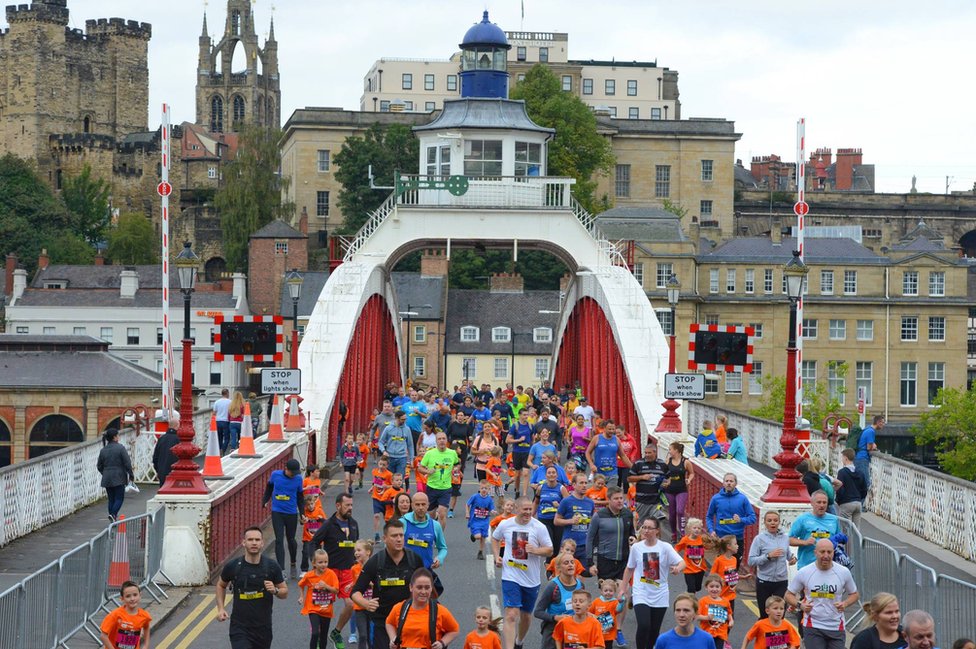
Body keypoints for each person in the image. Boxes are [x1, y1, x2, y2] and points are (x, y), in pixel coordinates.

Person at [350, 519, 425, 649]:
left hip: (409, 621)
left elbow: (426, 588)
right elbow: (355, 592)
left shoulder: (414, 559)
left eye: (401, 535)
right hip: (381, 622)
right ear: (384, 538)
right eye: (394, 536)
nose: (399, 539)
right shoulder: (375, 562)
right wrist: (366, 604)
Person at [492, 497, 554, 649]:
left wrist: (536, 550)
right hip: (510, 575)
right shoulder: (506, 524)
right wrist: (496, 556)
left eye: (530, 509)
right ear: (516, 509)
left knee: (526, 616)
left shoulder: (538, 527)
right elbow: (495, 538)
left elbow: (550, 549)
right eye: (524, 509)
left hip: (531, 579)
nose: (528, 512)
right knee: (511, 614)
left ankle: (519, 642)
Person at [216, 526, 288, 649]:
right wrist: (221, 609)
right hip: (239, 628)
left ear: (262, 543)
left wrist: (275, 591)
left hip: (263, 629)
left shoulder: (271, 566)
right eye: (250, 540)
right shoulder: (234, 566)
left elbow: (284, 592)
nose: (254, 543)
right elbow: (221, 585)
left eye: (257, 540)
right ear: (243, 542)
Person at [619, 517, 684, 649]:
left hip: (660, 593)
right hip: (641, 592)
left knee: (654, 630)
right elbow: (629, 568)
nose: (646, 530)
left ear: (657, 531)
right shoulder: (636, 547)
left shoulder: (665, 547)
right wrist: (622, 589)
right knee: (644, 625)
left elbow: (682, 562)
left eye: (650, 528)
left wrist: (677, 569)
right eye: (644, 527)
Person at [785, 539, 859, 649]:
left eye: (829, 552)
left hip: (836, 626)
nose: (826, 555)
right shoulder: (805, 572)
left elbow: (854, 594)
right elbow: (788, 595)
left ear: (833, 553)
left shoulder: (843, 572)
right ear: (815, 552)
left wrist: (845, 604)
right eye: (822, 552)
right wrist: (801, 605)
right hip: (813, 625)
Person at [309, 492, 360, 649]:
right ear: (338, 506)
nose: (350, 508)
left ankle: (336, 632)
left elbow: (356, 546)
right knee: (321, 606)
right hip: (329, 572)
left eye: (351, 505)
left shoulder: (354, 524)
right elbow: (314, 542)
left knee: (351, 604)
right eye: (347, 505)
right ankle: (317, 635)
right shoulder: (328, 524)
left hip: (347, 572)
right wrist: (317, 562)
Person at [384, 568, 460, 649]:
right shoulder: (399, 608)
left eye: (427, 588)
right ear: (411, 587)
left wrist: (442, 643)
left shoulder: (440, 611)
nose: (423, 592)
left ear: (431, 589)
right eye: (419, 587)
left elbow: (454, 630)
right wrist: (393, 638)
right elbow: (389, 623)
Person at [748, 511, 795, 618]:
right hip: (764, 581)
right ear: (765, 523)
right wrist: (768, 556)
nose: (772, 523)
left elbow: (788, 556)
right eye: (769, 521)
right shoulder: (759, 539)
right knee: (765, 615)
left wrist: (792, 559)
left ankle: (778, 635)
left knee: (780, 615)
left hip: (781, 581)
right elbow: (751, 561)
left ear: (779, 522)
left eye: (775, 520)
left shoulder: (785, 538)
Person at [262, 458, 304, 578]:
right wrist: (265, 500)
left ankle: (293, 561)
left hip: (291, 513)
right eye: (292, 473)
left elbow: (300, 498)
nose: (293, 475)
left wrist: (302, 513)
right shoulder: (275, 475)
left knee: (291, 539)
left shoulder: (298, 479)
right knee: (279, 540)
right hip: (277, 512)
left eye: (295, 473)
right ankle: (281, 570)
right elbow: (269, 487)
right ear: (286, 469)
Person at [534, 553, 586, 649]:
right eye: (566, 563)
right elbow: (537, 612)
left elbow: (584, 608)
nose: (570, 565)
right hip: (553, 630)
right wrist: (555, 617)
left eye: (572, 562)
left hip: (573, 630)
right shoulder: (553, 587)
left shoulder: (580, 586)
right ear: (559, 568)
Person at [704, 473, 755, 565]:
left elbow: (752, 518)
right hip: (721, 538)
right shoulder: (716, 498)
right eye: (726, 481)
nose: (728, 483)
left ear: (736, 483)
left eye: (731, 481)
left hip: (737, 539)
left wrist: (741, 520)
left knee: (734, 568)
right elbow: (709, 516)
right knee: (722, 568)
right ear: (723, 483)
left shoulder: (742, 498)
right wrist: (711, 530)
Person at [587, 487, 635, 581]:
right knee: (608, 594)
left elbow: (632, 533)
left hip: (623, 561)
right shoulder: (599, 516)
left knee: (622, 593)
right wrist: (590, 563)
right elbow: (590, 539)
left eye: (621, 498)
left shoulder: (628, 514)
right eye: (616, 499)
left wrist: (634, 538)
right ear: (608, 500)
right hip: (605, 561)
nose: (620, 501)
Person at [298, 549, 340, 649]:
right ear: (314, 563)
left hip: (326, 609)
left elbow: (336, 590)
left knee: (323, 636)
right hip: (313, 609)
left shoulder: (331, 574)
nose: (323, 565)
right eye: (320, 562)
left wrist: (326, 586)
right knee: (315, 633)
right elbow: (301, 585)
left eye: (326, 562)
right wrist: (301, 596)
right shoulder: (309, 575)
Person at [788, 491, 840, 569]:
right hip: (807, 566)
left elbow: (839, 539)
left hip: (828, 566)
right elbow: (789, 540)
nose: (822, 505)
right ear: (812, 503)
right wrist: (805, 542)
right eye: (818, 502)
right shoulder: (803, 519)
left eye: (824, 502)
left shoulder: (834, 519)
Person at [555, 473, 596, 570]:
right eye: (581, 483)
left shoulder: (590, 502)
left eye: (586, 483)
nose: (584, 485)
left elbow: (593, 522)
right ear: (573, 485)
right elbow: (556, 521)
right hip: (568, 546)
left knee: (580, 578)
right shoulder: (566, 501)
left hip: (584, 545)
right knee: (566, 575)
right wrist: (571, 521)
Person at [419, 432, 461, 526]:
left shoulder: (452, 453)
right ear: (436, 441)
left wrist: (456, 468)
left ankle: (439, 538)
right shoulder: (429, 453)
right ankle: (432, 530)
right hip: (432, 487)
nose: (442, 441)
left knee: (442, 513)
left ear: (446, 440)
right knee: (431, 515)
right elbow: (420, 468)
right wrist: (428, 472)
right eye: (439, 439)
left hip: (445, 488)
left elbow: (457, 463)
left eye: (443, 438)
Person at [402, 491, 449, 575]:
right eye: (417, 504)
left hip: (426, 571)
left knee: (438, 588)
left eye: (423, 504)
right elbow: (389, 546)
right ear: (412, 505)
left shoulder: (435, 525)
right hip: (405, 571)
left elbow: (443, 548)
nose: (420, 507)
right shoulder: (403, 523)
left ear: (428, 505)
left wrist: (439, 558)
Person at [629, 443, 668, 534]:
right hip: (641, 500)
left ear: (655, 452)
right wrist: (642, 477)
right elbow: (629, 478)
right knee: (643, 524)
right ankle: (641, 541)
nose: (646, 455)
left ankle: (656, 543)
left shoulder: (662, 464)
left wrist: (667, 483)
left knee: (655, 524)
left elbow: (668, 478)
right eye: (645, 453)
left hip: (656, 501)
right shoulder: (638, 464)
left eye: (649, 453)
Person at [97, 428, 134, 522]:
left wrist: (104, 473)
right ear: (114, 437)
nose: (119, 437)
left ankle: (112, 517)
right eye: (118, 435)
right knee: (119, 498)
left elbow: (99, 466)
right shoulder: (120, 448)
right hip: (119, 476)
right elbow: (127, 463)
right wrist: (130, 474)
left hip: (107, 477)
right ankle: (113, 514)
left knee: (111, 499)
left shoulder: (103, 450)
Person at [100, 581, 151, 649]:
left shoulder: (144, 616)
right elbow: (103, 636)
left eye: (135, 595)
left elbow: (146, 627)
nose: (132, 599)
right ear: (122, 599)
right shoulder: (115, 615)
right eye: (128, 596)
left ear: (140, 595)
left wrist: (146, 645)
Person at [586, 421, 633, 485]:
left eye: (613, 429)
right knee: (601, 494)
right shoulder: (597, 438)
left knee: (611, 493)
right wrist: (591, 464)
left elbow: (623, 456)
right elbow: (587, 452)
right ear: (604, 428)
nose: (611, 431)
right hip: (599, 474)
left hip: (613, 474)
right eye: (609, 429)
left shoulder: (616, 440)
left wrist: (633, 468)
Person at [535, 465, 570, 550]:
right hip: (544, 519)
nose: (551, 474)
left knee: (557, 546)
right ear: (546, 475)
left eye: (553, 473)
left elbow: (568, 505)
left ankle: (551, 562)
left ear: (557, 475)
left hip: (557, 520)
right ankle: (547, 563)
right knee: (549, 544)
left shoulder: (562, 488)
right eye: (549, 473)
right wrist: (531, 515)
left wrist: (559, 506)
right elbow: (536, 502)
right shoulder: (540, 488)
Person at [663, 442, 694, 539]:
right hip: (670, 490)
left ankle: (682, 532)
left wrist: (688, 480)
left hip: (681, 490)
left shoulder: (685, 462)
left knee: (680, 511)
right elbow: (664, 474)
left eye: (670, 449)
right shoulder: (668, 461)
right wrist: (665, 481)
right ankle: (673, 533)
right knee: (672, 513)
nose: (669, 451)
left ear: (676, 450)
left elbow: (692, 473)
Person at [697, 574, 733, 649]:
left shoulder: (725, 601)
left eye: (717, 586)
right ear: (706, 587)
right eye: (711, 586)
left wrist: (731, 621)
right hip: (706, 633)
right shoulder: (703, 601)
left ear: (721, 588)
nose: (714, 589)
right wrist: (707, 617)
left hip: (721, 633)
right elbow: (696, 616)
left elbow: (729, 613)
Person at [674, 518, 708, 594]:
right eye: (694, 528)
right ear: (689, 529)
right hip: (688, 569)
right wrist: (675, 559)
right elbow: (677, 548)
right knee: (691, 589)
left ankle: (690, 594)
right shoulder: (685, 540)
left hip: (700, 568)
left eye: (699, 528)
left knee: (697, 588)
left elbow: (708, 546)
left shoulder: (702, 539)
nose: (697, 530)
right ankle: (691, 601)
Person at [590, 578, 626, 649]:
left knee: (608, 646)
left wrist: (621, 602)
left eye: (611, 591)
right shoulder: (596, 601)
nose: (608, 592)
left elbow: (619, 610)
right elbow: (590, 612)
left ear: (614, 591)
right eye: (606, 591)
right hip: (598, 630)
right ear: (601, 591)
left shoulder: (615, 601)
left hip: (609, 631)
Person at [506, 410, 535, 496]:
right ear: (519, 415)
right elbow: (507, 440)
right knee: (517, 474)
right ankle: (517, 490)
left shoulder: (530, 426)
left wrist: (532, 449)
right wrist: (518, 440)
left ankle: (524, 494)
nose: (526, 416)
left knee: (526, 473)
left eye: (527, 414)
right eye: (524, 415)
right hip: (517, 452)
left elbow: (532, 438)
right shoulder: (515, 426)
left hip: (527, 452)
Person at [378, 410, 415, 478]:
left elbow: (410, 445)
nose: (404, 421)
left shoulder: (407, 429)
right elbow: (380, 442)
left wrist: (411, 459)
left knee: (399, 480)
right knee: (389, 479)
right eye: (402, 419)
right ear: (397, 418)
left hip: (402, 458)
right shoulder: (388, 428)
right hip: (390, 457)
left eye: (405, 419)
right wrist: (383, 451)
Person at [835, 449, 866, 528]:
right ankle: (857, 541)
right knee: (856, 530)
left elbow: (840, 488)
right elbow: (864, 489)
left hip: (846, 502)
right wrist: (859, 498)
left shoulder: (842, 472)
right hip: (858, 503)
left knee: (845, 529)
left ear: (845, 458)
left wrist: (838, 501)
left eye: (842, 457)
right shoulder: (860, 472)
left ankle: (846, 541)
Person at [467, 480, 497, 559]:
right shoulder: (475, 497)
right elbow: (467, 504)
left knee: (483, 537)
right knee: (478, 536)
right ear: (479, 488)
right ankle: (474, 535)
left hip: (484, 521)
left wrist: (493, 511)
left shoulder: (489, 499)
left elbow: (491, 508)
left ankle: (480, 552)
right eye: (482, 488)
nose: (484, 490)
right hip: (475, 520)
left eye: (486, 488)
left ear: (489, 490)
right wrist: (467, 513)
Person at [709, 535, 739, 614]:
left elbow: (733, 576)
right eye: (735, 544)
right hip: (720, 596)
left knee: (730, 621)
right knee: (718, 623)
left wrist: (740, 579)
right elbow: (711, 576)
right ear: (728, 546)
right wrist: (720, 580)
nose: (738, 546)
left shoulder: (734, 560)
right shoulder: (719, 560)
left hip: (731, 595)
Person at [855, 414, 884, 496]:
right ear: (878, 422)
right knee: (865, 483)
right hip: (862, 458)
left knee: (859, 482)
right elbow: (869, 447)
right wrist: (874, 447)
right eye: (882, 422)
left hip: (858, 457)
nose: (883, 424)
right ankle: (860, 504)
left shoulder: (867, 429)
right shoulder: (871, 431)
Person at [301, 494, 327, 575]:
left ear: (314, 503)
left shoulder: (319, 510)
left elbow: (326, 522)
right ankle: (304, 570)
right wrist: (303, 520)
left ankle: (316, 569)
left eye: (311, 504)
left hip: (317, 538)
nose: (310, 506)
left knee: (317, 554)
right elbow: (301, 522)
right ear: (305, 505)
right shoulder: (304, 512)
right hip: (307, 537)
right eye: (308, 505)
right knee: (305, 553)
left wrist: (321, 519)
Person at [152, 415, 180, 487]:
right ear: (177, 426)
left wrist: (158, 470)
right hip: (176, 473)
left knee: (163, 493)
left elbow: (155, 457)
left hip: (162, 472)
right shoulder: (178, 439)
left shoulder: (161, 439)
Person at [213, 388, 231, 453]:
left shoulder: (217, 402)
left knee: (219, 437)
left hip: (218, 421)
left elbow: (214, 413)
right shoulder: (230, 402)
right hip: (226, 421)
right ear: (227, 393)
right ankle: (223, 450)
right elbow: (231, 412)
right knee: (227, 438)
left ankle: (219, 449)